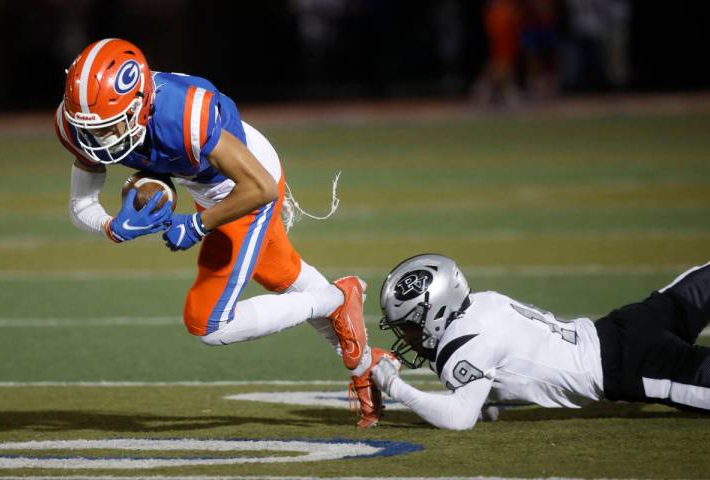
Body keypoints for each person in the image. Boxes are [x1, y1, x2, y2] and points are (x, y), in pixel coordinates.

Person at [54, 38, 389, 427]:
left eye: (113, 126)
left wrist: (198, 224)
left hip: (240, 183)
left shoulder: (185, 115)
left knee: (209, 323)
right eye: (92, 129)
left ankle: (336, 297)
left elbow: (260, 187)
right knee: (282, 275)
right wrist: (111, 227)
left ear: (142, 102)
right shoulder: (80, 123)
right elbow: (81, 207)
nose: (102, 140)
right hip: (200, 179)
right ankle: (367, 366)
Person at [371, 253, 710, 430]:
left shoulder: (463, 343)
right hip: (625, 324)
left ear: (438, 310)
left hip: (630, 364)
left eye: (411, 327)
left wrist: (393, 386)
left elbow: (458, 418)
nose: (408, 337)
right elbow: (519, 368)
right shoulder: (483, 301)